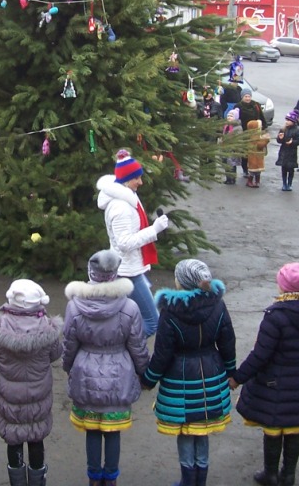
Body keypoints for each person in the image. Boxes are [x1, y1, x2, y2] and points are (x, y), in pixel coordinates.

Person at [141, 259, 235, 486]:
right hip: (211, 375)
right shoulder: (218, 305)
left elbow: (162, 354)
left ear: (181, 281)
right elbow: (227, 342)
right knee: (202, 430)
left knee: (185, 431)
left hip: (180, 379)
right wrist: (232, 372)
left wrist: (149, 379)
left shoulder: (170, 311)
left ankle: (187, 480)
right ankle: (200, 481)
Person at [232, 263, 299, 486]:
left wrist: (238, 378)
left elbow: (261, 354)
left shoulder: (275, 315)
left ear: (282, 285)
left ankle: (271, 474)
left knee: (274, 428)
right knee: (295, 428)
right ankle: (289, 474)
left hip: (274, 383)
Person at [62, 250, 149, 486]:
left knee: (92, 429)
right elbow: (138, 344)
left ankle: (93, 477)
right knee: (112, 430)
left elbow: (69, 343)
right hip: (119, 374)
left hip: (85, 371)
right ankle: (111, 478)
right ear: (114, 274)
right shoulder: (129, 307)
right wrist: (144, 371)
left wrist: (68, 367)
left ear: (91, 272)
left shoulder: (75, 306)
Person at [0, 278, 63, 486]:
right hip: (38, 397)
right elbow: (56, 354)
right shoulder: (48, 328)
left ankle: (17, 481)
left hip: (10, 399)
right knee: (36, 439)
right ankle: (37, 480)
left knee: (14, 440)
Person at [95, 148, 169, 336]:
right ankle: (123, 346)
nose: (141, 182)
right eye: (137, 178)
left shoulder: (128, 197)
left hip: (131, 267)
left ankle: (122, 347)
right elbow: (125, 243)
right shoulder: (121, 207)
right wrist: (154, 229)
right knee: (153, 322)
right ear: (126, 179)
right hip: (128, 272)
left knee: (128, 316)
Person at [275, 109, 299, 192]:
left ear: (293, 121)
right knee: (284, 168)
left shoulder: (297, 130)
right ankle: (284, 183)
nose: (287, 122)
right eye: (286, 120)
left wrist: (292, 142)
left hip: (292, 152)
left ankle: (289, 184)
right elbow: (279, 140)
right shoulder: (283, 129)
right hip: (284, 151)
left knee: (291, 169)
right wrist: (280, 138)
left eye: (289, 120)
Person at [245, 118, 271, 189]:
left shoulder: (253, 135)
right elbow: (259, 146)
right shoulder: (254, 137)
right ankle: (250, 181)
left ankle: (257, 181)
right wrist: (266, 140)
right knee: (253, 170)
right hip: (255, 156)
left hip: (256, 155)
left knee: (257, 170)